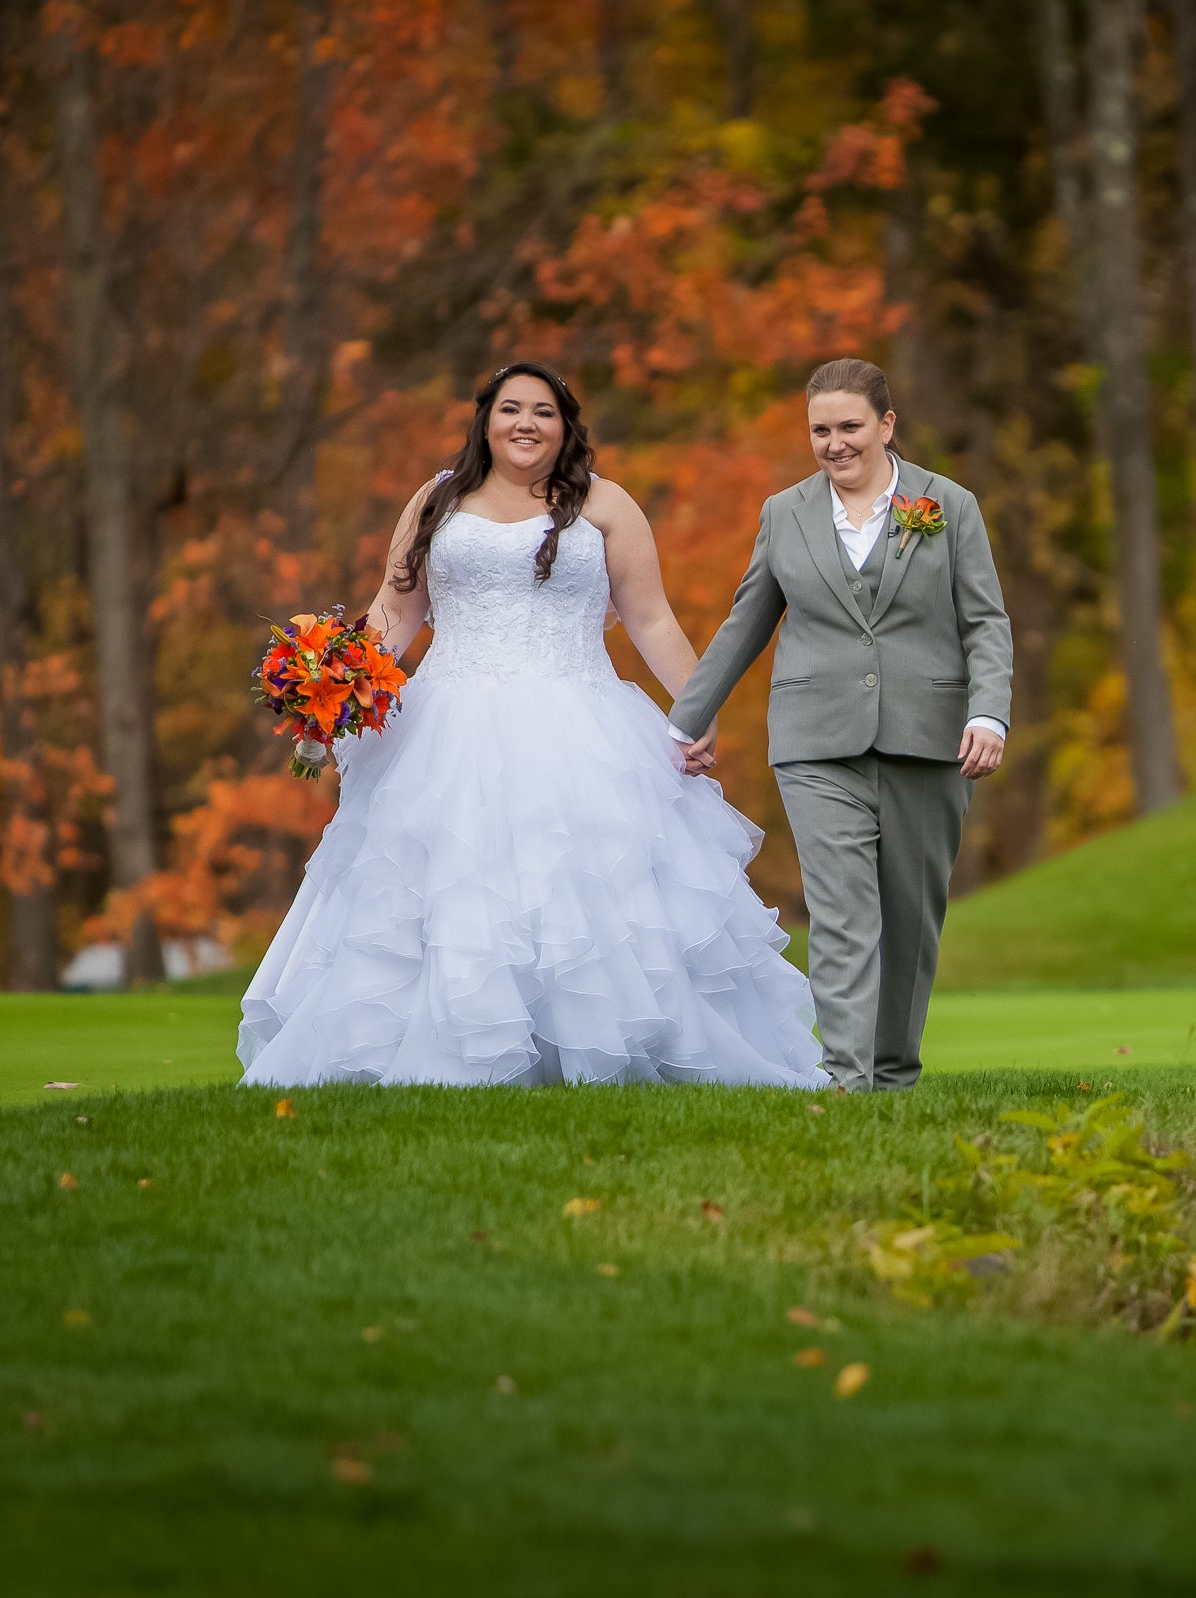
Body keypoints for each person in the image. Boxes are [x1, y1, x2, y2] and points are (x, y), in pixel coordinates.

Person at [237, 361, 826, 1089]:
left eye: (543, 411)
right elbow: (394, 615)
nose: (526, 423)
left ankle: (606, 1049)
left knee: (590, 891)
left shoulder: (606, 505)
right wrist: (332, 683)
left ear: (565, 425)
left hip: (581, 724)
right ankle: (453, 1056)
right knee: (448, 890)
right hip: (445, 731)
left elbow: (650, 619)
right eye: (511, 408)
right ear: (485, 419)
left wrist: (696, 711)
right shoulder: (437, 498)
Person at [666, 358, 1013, 1090]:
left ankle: (893, 1073)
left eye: (850, 426)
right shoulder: (784, 512)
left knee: (911, 920)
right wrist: (685, 720)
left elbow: (985, 621)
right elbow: (744, 624)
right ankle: (847, 1077)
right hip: (815, 740)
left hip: (930, 736)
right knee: (842, 909)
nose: (835, 443)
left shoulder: (949, 505)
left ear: (887, 424)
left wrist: (988, 712)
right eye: (821, 429)